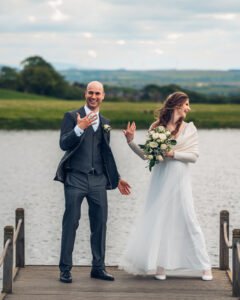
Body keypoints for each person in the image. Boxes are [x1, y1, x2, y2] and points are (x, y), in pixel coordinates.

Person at [119, 91, 213, 281]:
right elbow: (147, 156)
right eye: (186, 104)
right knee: (161, 220)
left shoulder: (189, 129)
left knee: (189, 220)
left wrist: (172, 154)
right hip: (161, 179)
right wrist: (130, 141)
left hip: (180, 180)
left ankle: (205, 267)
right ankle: (160, 267)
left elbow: (194, 156)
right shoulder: (156, 127)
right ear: (177, 105)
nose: (189, 108)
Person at [54, 81, 131, 283]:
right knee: (71, 223)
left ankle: (98, 268)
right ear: (85, 94)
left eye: (97, 93)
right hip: (76, 177)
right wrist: (79, 128)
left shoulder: (105, 121)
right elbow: (64, 144)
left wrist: (117, 177)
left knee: (100, 224)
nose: (93, 96)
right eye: (90, 92)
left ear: (103, 96)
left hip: (98, 180)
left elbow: (105, 153)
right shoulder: (71, 117)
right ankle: (65, 269)